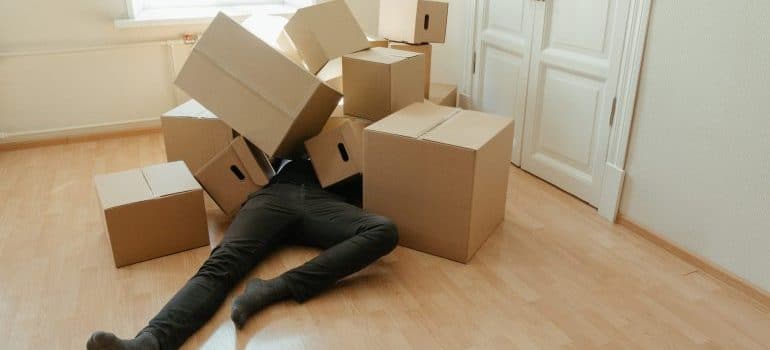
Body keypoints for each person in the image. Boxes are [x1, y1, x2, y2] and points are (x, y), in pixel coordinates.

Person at [86, 159, 399, 350]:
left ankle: (275, 288)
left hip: (324, 203)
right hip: (273, 196)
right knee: (219, 266)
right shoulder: (287, 129)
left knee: (384, 230)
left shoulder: (361, 134)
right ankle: (149, 343)